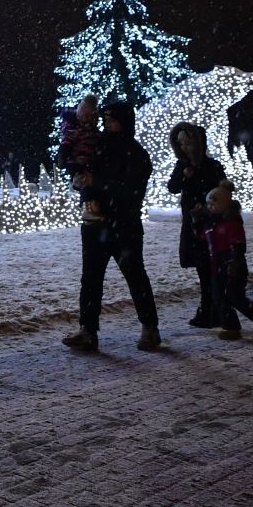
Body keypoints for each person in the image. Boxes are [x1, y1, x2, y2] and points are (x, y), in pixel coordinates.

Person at [62, 101, 160, 353]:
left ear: (125, 122)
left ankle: (149, 327)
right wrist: (82, 184)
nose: (107, 126)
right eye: (105, 121)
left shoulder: (135, 153)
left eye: (112, 121)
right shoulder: (99, 146)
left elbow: (132, 190)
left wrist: (98, 182)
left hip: (123, 224)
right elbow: (84, 169)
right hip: (95, 223)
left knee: (134, 275)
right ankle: (88, 330)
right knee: (91, 279)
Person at [167, 121, 227, 329]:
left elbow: (221, 193)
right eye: (180, 144)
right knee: (203, 268)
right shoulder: (182, 166)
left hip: (211, 225)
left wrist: (206, 206)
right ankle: (209, 308)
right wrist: (183, 175)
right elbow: (172, 187)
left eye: (188, 142)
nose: (184, 147)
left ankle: (214, 309)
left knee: (213, 268)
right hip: (193, 225)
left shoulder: (213, 166)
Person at [204, 181, 253, 339]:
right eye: (209, 204)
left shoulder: (231, 223)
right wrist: (195, 221)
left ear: (225, 205)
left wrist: (234, 262)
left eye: (214, 204)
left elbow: (238, 245)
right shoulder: (212, 222)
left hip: (233, 266)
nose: (210, 207)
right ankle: (231, 327)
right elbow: (204, 237)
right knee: (219, 297)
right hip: (217, 266)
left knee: (235, 297)